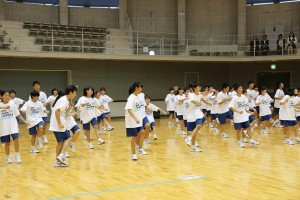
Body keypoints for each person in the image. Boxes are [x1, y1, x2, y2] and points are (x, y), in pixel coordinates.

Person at [49, 85, 77, 167]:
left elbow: (63, 113)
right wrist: (59, 123)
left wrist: (69, 108)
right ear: (71, 92)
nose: (75, 94)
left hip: (58, 123)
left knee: (60, 142)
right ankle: (61, 156)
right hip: (58, 124)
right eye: (75, 92)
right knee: (68, 138)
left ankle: (58, 160)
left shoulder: (65, 101)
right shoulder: (64, 100)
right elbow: (57, 112)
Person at [0, 91, 28, 163]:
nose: (7, 97)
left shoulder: (12, 104)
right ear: (1, 96)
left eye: (8, 95)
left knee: (16, 139)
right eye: (5, 95)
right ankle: (8, 157)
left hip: (13, 126)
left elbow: (18, 114)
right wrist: (4, 107)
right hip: (4, 127)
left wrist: (25, 121)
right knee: (7, 143)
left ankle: (17, 155)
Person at [125, 82, 146, 161]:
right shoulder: (131, 97)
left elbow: (143, 106)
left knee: (142, 132)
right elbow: (129, 109)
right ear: (136, 88)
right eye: (140, 87)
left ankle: (139, 148)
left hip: (138, 120)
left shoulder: (140, 96)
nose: (141, 89)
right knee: (134, 137)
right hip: (132, 121)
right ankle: (133, 154)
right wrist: (135, 118)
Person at [187, 82, 205, 152]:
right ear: (194, 88)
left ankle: (189, 138)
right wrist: (197, 103)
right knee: (194, 130)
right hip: (191, 114)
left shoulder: (200, 95)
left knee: (200, 125)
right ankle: (193, 147)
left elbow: (200, 101)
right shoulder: (190, 94)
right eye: (198, 87)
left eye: (200, 87)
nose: (199, 88)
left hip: (198, 113)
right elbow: (192, 101)